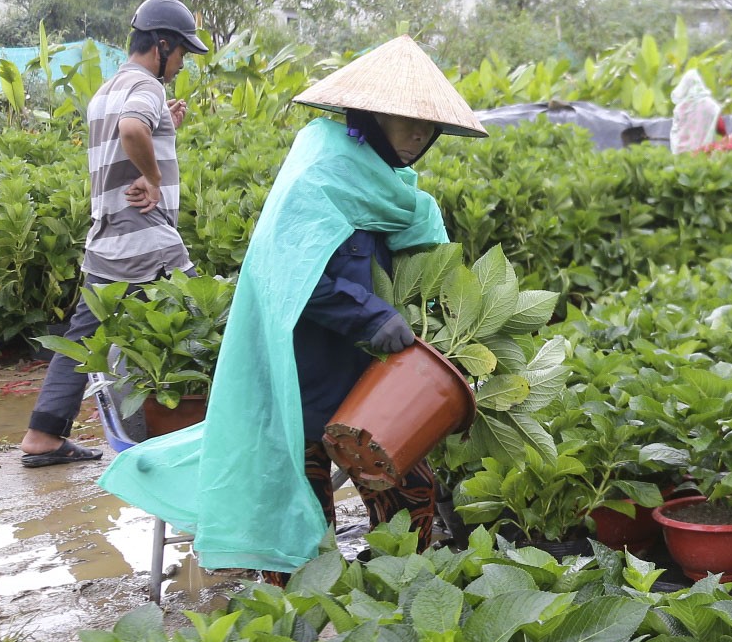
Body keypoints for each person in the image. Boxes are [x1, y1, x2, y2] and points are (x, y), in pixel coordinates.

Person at [99, 35, 488, 577]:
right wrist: (374, 316)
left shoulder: (392, 188)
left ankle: (399, 599)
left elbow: (415, 270)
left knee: (411, 492)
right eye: (405, 121)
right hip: (300, 384)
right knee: (301, 525)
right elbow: (291, 277)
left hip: (365, 384)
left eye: (429, 127)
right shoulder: (319, 172)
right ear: (369, 116)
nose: (419, 134)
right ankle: (292, 635)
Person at [20, 0, 210, 467]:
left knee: (82, 340)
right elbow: (131, 131)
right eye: (182, 53)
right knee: (207, 320)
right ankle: (207, 437)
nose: (182, 65)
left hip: (106, 241)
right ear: (161, 45)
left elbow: (128, 133)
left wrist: (165, 127)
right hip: (146, 240)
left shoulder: (108, 89)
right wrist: (157, 178)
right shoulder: (147, 88)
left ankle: (42, 436)